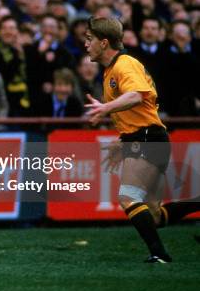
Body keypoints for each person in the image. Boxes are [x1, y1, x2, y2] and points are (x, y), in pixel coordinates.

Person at [84, 16, 200, 263]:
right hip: (147, 137)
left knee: (128, 198)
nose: (86, 44)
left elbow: (136, 96)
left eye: (89, 39)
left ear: (104, 43)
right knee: (155, 216)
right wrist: (121, 139)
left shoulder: (124, 64)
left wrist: (105, 109)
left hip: (147, 137)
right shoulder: (111, 70)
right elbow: (133, 110)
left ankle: (159, 254)